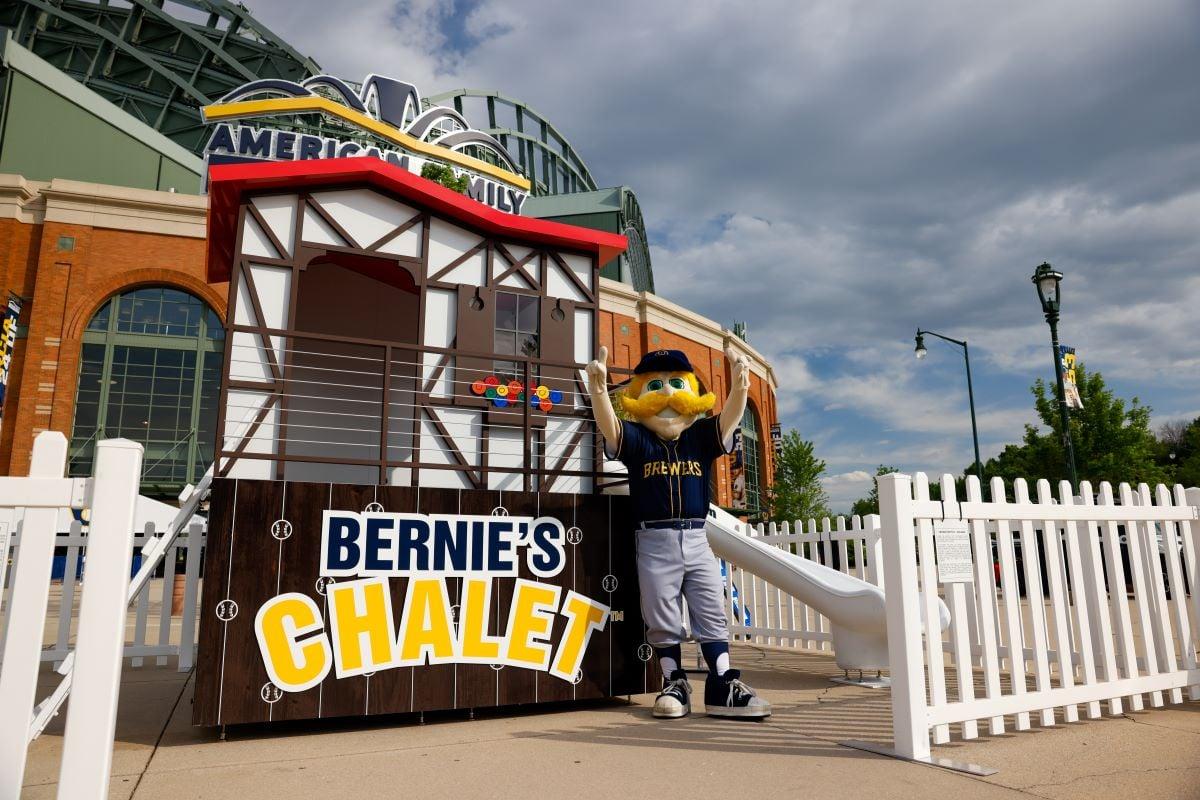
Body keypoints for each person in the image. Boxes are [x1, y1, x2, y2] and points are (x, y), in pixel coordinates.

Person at [586, 345, 770, 719]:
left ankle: (722, 685)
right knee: (661, 612)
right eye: (655, 385)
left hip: (697, 535)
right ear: (638, 395)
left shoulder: (699, 436)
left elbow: (731, 419)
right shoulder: (639, 439)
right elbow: (611, 428)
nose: (667, 394)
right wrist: (599, 392)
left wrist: (741, 387)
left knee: (710, 608)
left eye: (675, 383)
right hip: (654, 537)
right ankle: (674, 681)